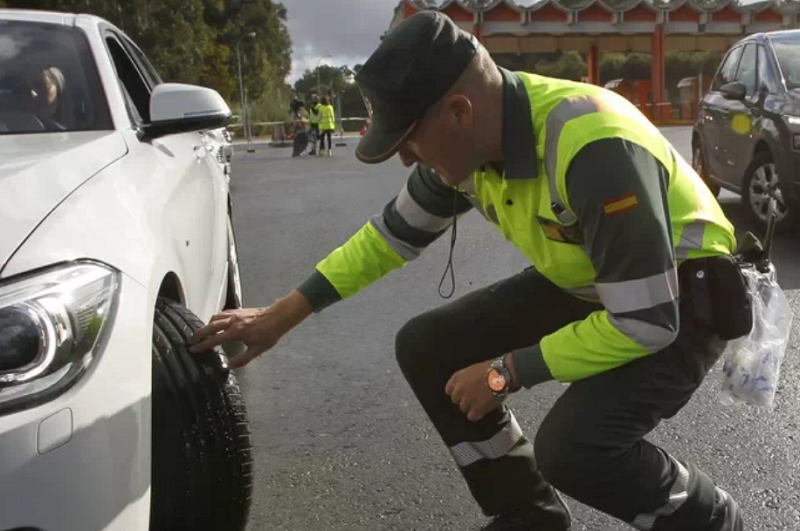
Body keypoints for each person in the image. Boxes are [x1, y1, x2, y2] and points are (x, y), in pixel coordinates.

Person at [190, 12, 745, 531]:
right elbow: (389, 237)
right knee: (428, 345)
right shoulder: (468, 150)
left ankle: (713, 519)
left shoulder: (592, 147)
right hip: (594, 284)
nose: (406, 159)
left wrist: (505, 372)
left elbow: (645, 321)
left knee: (575, 449)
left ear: (460, 111)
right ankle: (528, 515)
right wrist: (279, 317)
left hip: (678, 295)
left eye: (409, 140)